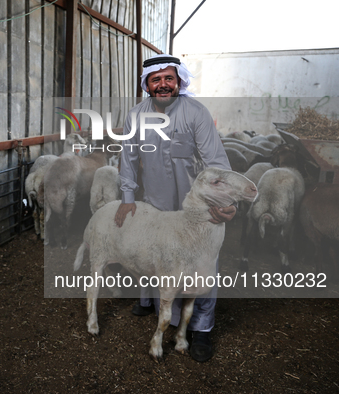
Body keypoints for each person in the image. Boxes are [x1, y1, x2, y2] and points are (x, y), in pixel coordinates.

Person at [114, 54, 236, 362]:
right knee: (162, 261)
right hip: (158, 206)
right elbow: (127, 159)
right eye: (156, 79)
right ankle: (166, 314)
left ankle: (202, 329)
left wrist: (224, 201)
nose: (163, 84)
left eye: (169, 78)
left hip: (198, 210)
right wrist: (127, 199)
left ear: (179, 81)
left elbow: (216, 162)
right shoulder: (135, 116)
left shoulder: (196, 113)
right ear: (147, 85)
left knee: (203, 265)